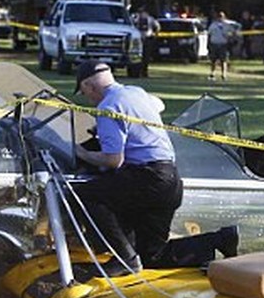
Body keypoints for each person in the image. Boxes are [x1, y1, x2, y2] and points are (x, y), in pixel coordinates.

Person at [71, 61, 237, 275]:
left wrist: (82, 153)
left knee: (83, 195)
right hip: (170, 181)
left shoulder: (107, 108)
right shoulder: (136, 92)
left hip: (148, 179)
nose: (87, 98)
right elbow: (155, 107)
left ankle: (124, 258)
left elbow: (114, 161)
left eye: (84, 92)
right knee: (152, 256)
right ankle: (221, 238)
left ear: (89, 85)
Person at [207, 11, 234, 80]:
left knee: (223, 60)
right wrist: (208, 44)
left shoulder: (227, 25)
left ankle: (224, 74)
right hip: (214, 44)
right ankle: (212, 74)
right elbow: (209, 34)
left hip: (223, 44)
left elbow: (232, 32)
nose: (220, 18)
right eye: (219, 16)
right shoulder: (213, 25)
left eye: (221, 16)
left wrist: (229, 37)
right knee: (213, 60)